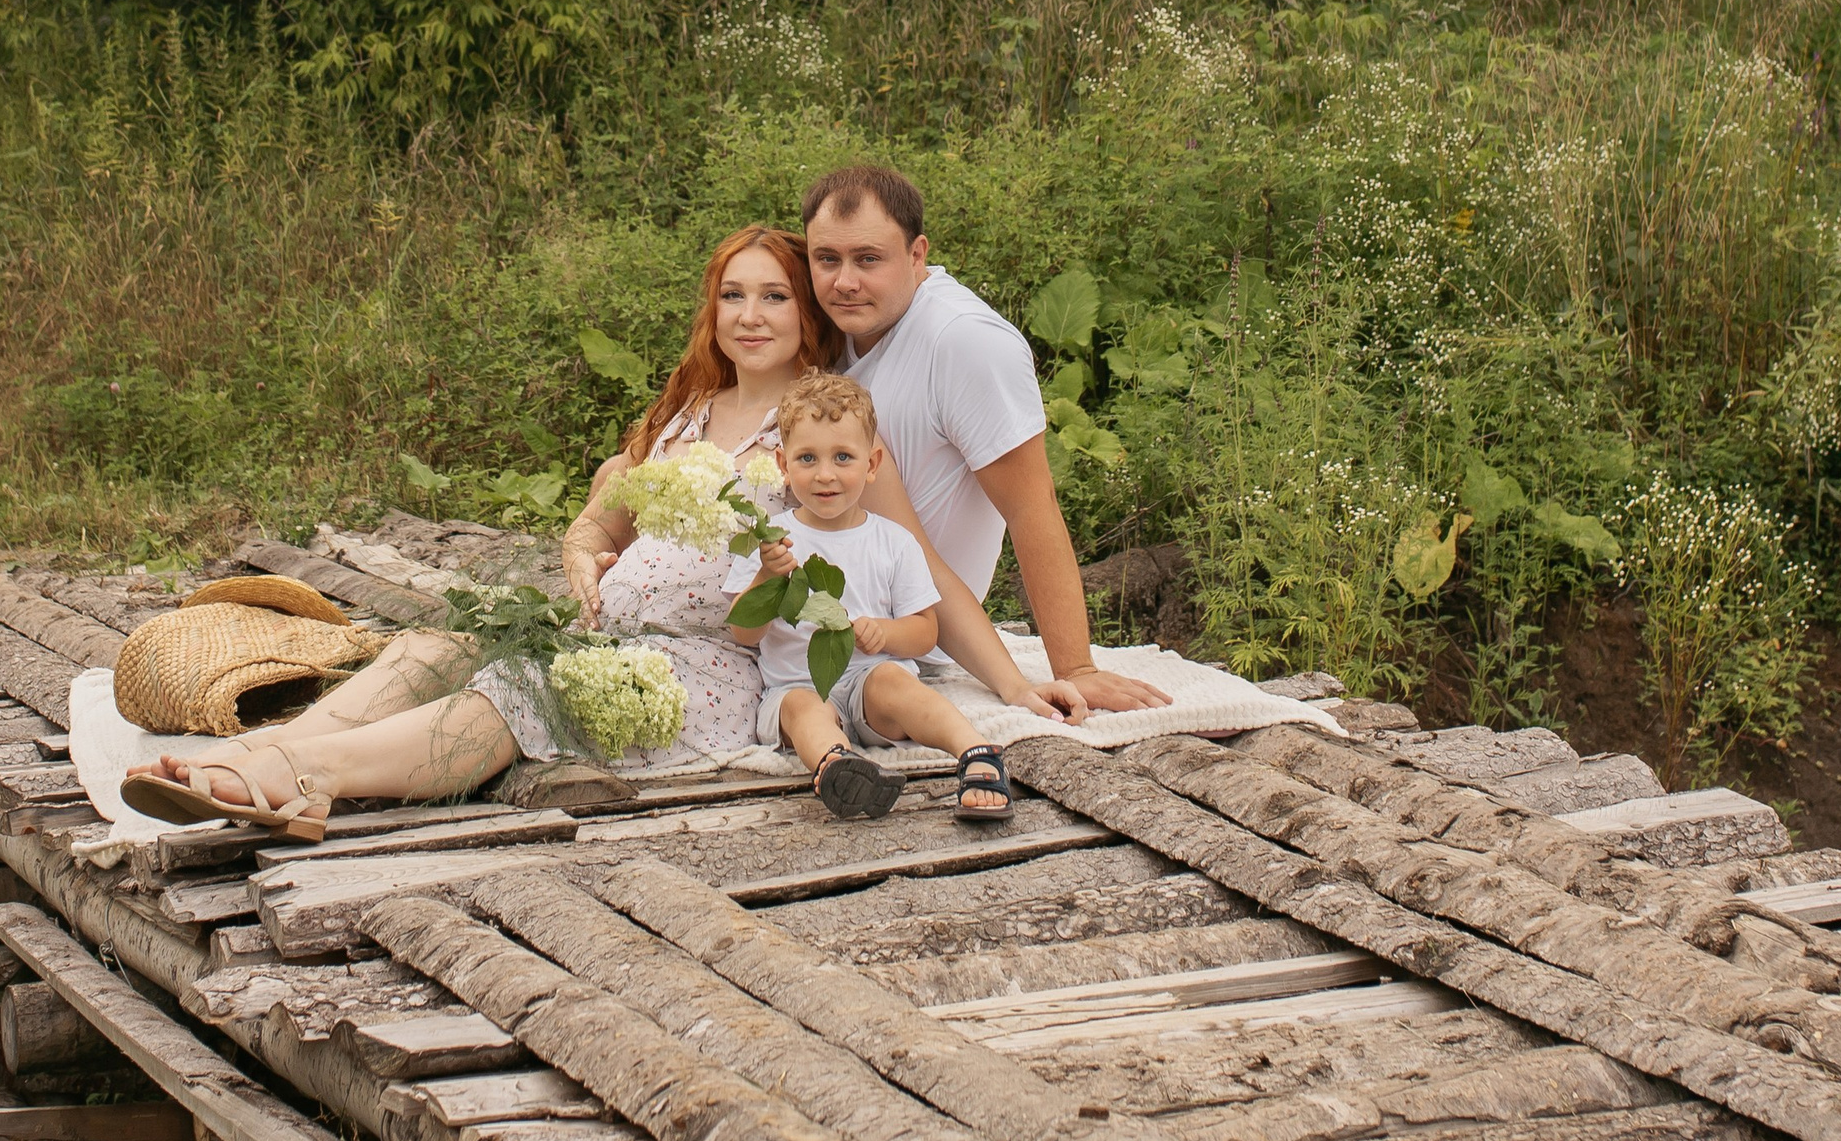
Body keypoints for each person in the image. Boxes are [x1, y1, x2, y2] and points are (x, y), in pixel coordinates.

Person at [125, 222, 1039, 828]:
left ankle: (296, 781)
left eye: (773, 296)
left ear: (806, 314)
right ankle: (253, 751)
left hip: (710, 668)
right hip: (610, 632)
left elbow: (921, 561)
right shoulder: (687, 415)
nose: (750, 315)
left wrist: (1031, 680)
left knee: (514, 698)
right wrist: (583, 562)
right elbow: (593, 529)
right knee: (436, 649)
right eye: (733, 295)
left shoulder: (822, 433)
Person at [802, 161, 1169, 719]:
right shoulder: (835, 327)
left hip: (901, 642)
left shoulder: (963, 341)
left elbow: (1031, 505)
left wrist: (1075, 669)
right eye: (827, 259)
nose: (844, 281)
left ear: (918, 253)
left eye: (868, 259)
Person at [728, 373, 1016, 822]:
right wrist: (767, 575)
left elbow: (925, 632)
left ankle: (975, 751)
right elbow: (742, 631)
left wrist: (884, 632)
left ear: (872, 463)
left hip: (870, 682)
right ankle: (840, 766)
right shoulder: (774, 540)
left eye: (843, 457)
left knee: (896, 683)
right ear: (783, 464)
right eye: (807, 458)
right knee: (803, 710)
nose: (825, 474)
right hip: (797, 683)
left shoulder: (895, 542)